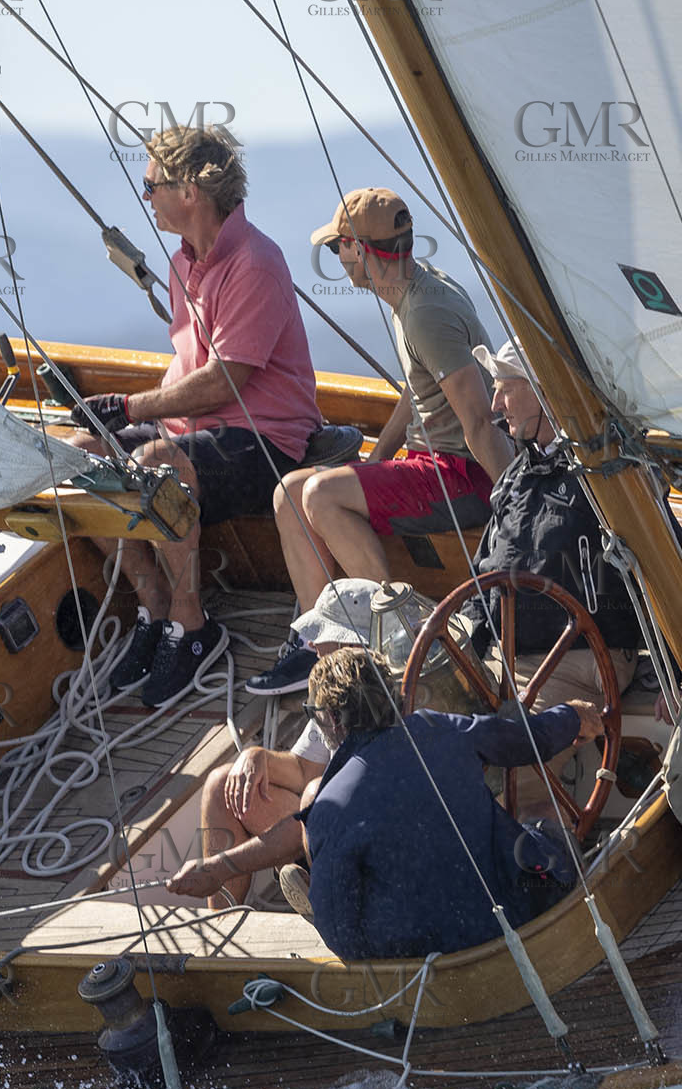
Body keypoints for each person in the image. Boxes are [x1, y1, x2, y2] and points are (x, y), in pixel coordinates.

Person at [68, 125, 321, 707]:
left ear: (190, 193)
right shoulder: (187, 266)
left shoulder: (255, 263)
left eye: (152, 184)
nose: (145, 194)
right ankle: (155, 607)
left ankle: (193, 626)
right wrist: (110, 421)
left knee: (155, 462)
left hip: (266, 440)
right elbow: (188, 369)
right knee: (79, 454)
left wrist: (130, 408)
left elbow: (226, 380)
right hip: (199, 431)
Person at [248, 187, 511, 697]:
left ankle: (397, 640)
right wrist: (374, 463)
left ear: (362, 250)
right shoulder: (410, 293)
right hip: (434, 462)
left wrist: (513, 506)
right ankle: (318, 646)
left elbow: (479, 421)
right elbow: (418, 393)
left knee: (319, 495)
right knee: (290, 494)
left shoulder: (425, 313)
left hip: (464, 473)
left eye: (337, 248)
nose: (337, 260)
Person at [297, 650, 602, 959]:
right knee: (545, 818)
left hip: (433, 954)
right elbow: (526, 740)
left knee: (348, 896)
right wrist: (572, 717)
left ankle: (317, 892)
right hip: (522, 909)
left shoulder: (327, 809)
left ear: (333, 720)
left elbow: (342, 936)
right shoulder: (438, 727)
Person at [466, 337, 641, 815]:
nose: (496, 403)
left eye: (505, 387)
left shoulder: (606, 473)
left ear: (543, 390)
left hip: (580, 657)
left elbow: (664, 560)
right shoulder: (516, 477)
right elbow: (481, 572)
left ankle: (534, 863)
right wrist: (464, 639)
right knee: (419, 725)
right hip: (503, 653)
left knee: (506, 774)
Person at [167, 581, 379, 907]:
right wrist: (257, 757)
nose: (312, 644)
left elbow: (316, 812)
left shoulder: (382, 700)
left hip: (371, 843)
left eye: (323, 636)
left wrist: (218, 868)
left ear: (352, 643)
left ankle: (329, 902)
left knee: (315, 800)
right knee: (223, 784)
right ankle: (220, 929)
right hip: (331, 824)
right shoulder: (338, 691)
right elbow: (302, 769)